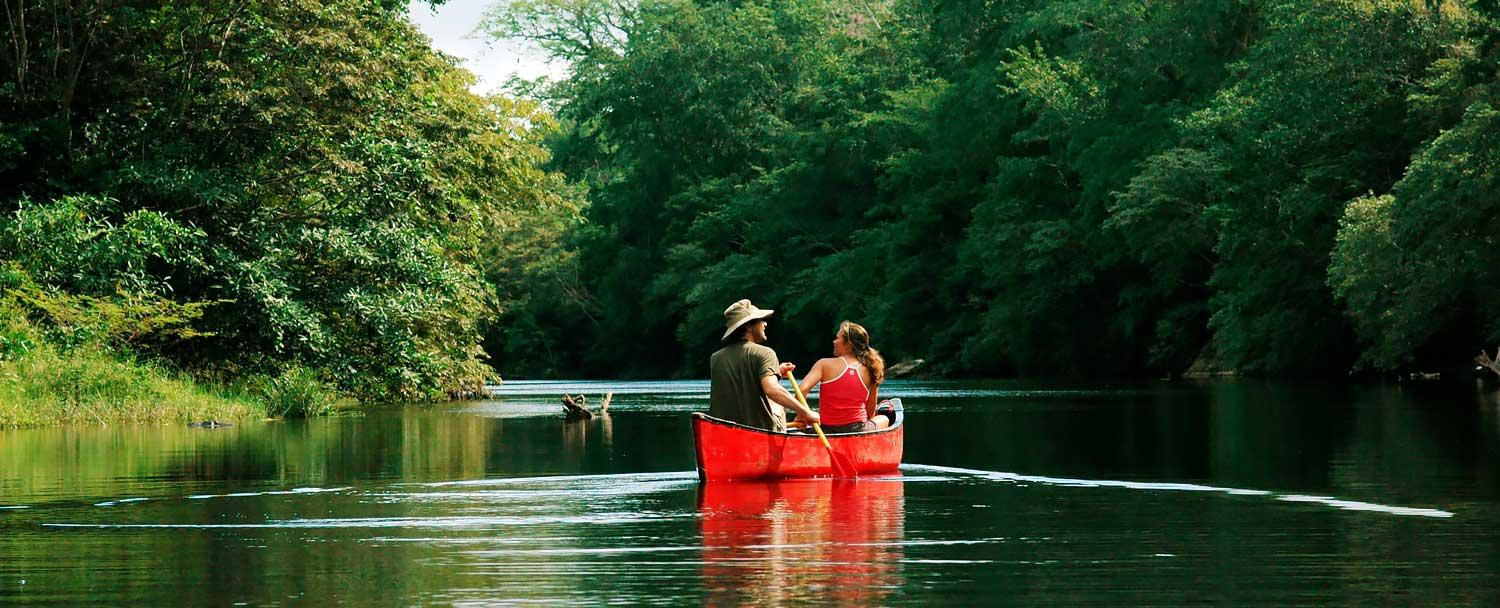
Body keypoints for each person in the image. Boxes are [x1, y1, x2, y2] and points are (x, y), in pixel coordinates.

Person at [709, 299, 820, 432]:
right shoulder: (765, 353)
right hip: (758, 432)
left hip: (724, 432)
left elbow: (742, 379)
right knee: (778, 407)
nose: (765, 324)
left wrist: (775, 371)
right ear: (748, 326)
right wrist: (806, 412)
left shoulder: (716, 358)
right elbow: (772, 389)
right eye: (761, 320)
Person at [788, 321, 890, 434]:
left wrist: (802, 414)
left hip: (826, 430)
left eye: (837, 338)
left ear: (848, 344)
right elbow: (870, 412)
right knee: (884, 419)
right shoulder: (871, 368)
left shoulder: (823, 364)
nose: (834, 341)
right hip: (858, 430)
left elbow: (801, 390)